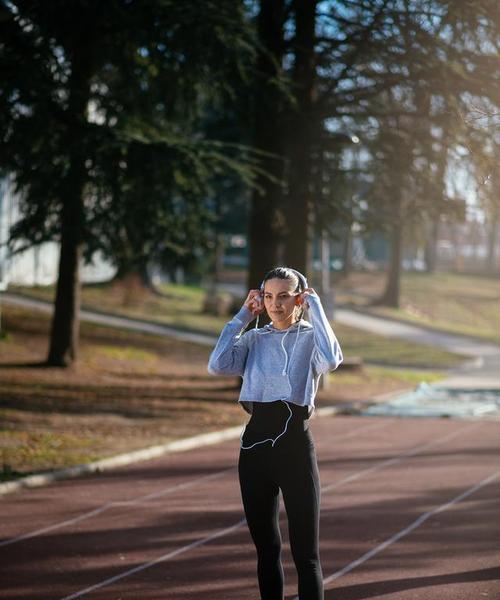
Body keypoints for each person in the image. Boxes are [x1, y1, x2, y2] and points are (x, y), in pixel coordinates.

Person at [207, 266, 343, 600]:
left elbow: (332, 359)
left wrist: (318, 310)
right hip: (253, 454)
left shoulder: (312, 338)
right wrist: (241, 316)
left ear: (300, 297)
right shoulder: (254, 339)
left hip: (295, 452)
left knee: (305, 555)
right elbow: (218, 365)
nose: (275, 304)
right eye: (268, 296)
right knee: (266, 550)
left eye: (284, 296)